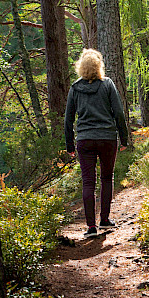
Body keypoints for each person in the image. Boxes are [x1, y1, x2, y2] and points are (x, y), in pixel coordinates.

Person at [64, 49, 129, 237]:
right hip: (107, 139)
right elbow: (118, 113)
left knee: (88, 182)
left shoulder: (75, 88)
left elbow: (68, 120)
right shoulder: (107, 84)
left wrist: (70, 145)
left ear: (81, 67)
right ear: (99, 66)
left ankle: (91, 227)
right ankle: (105, 220)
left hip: (84, 140)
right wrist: (124, 139)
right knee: (107, 178)